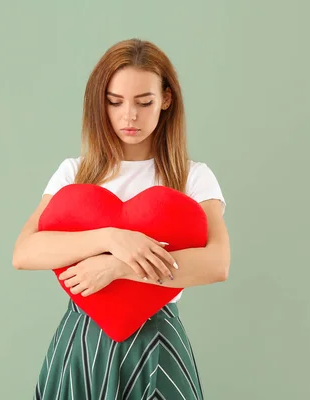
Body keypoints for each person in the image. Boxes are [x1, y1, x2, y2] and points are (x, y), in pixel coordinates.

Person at [12, 38, 230, 400]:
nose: (129, 115)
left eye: (144, 102)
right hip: (82, 338)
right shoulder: (74, 173)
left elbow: (217, 263)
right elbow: (24, 252)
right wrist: (110, 238)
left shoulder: (194, 177)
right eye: (115, 102)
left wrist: (119, 267)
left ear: (166, 100)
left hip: (156, 337)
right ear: (101, 103)